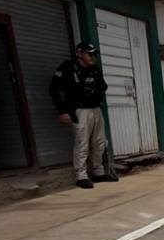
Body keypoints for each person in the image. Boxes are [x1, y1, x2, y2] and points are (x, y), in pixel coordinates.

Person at [50, 42, 116, 189]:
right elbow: (54, 90)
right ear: (80, 54)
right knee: (82, 143)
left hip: (95, 109)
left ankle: (98, 172)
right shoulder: (67, 68)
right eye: (89, 54)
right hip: (79, 110)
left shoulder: (94, 70)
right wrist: (63, 111)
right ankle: (81, 176)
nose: (93, 57)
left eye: (94, 55)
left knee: (99, 142)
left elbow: (103, 87)